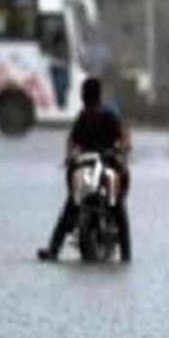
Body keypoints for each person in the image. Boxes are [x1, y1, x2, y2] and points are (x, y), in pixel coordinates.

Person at [37, 76, 132, 261]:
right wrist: (70, 156)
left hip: (107, 165)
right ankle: (53, 249)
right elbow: (72, 141)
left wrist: (121, 151)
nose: (90, 109)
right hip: (86, 168)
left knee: (117, 204)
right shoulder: (82, 118)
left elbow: (124, 136)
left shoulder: (109, 116)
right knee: (72, 203)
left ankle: (126, 253)